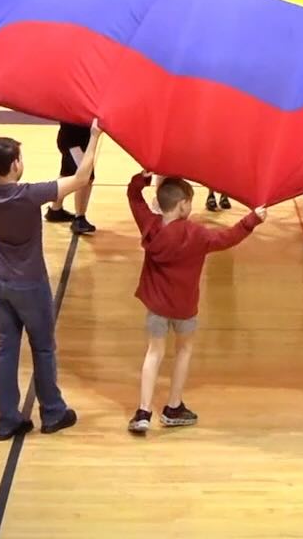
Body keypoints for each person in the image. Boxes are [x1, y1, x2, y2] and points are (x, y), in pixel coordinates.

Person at [0, 97, 96, 440]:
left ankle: (6, 420)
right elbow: (81, 177)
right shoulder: (30, 194)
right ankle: (53, 412)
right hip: (30, 284)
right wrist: (97, 137)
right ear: (14, 165)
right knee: (43, 347)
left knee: (6, 350)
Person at [126, 172, 266, 434]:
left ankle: (143, 411)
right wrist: (252, 219)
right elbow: (228, 238)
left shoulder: (149, 226)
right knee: (184, 350)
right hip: (185, 306)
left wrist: (141, 179)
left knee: (153, 352)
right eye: (190, 201)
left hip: (156, 305)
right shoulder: (197, 234)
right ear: (182, 205)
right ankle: (173, 407)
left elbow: (134, 198)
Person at [46, 122, 97, 235]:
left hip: (72, 139)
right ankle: (79, 218)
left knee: (67, 173)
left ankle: (55, 210)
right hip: (74, 142)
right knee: (87, 176)